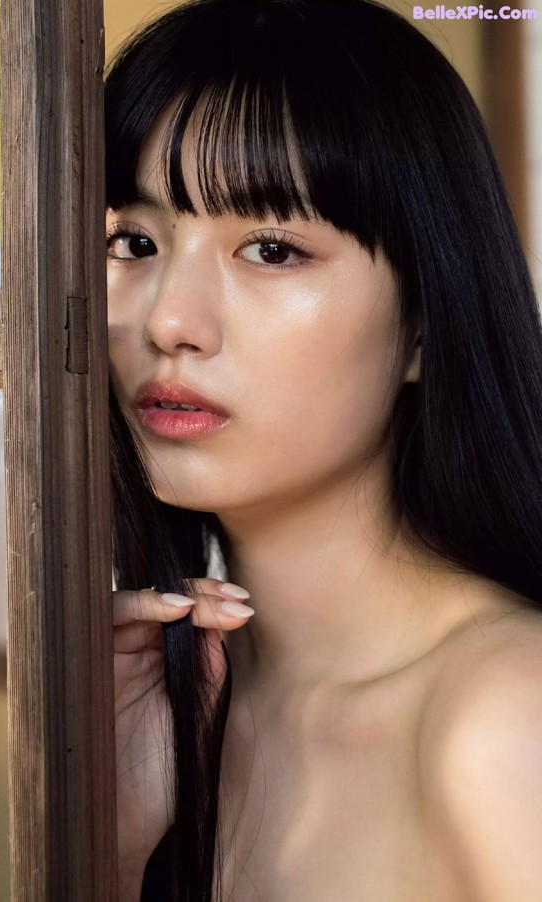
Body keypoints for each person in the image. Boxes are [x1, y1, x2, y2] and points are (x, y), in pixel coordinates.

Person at [105, 0, 542, 900]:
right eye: (135, 242)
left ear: (424, 325)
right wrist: (107, 854)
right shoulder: (171, 711)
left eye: (269, 248)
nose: (169, 322)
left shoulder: (506, 715)